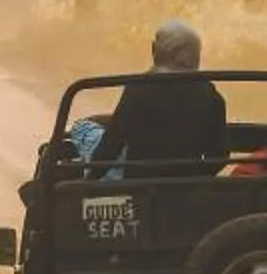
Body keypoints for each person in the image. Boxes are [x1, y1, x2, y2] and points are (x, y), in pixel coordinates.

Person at [91, 19, 229, 177]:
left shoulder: (138, 88)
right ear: (195, 55)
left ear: (154, 50)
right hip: (188, 186)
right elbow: (220, 154)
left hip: (140, 186)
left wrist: (89, 181)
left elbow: (111, 144)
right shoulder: (210, 94)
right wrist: (196, 177)